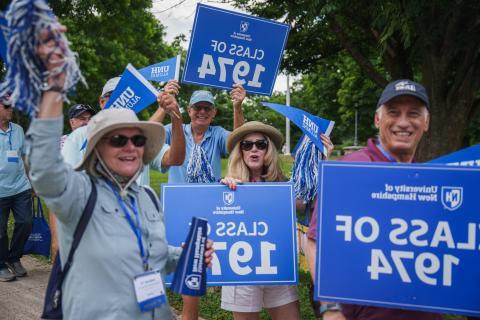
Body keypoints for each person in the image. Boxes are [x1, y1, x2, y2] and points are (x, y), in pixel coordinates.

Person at [27, 27, 213, 319]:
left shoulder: (148, 198)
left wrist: (187, 255)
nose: (130, 147)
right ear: (97, 148)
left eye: (138, 140)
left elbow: (155, 254)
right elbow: (45, 172)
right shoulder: (81, 193)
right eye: (117, 139)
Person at [306, 79, 442, 320]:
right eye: (393, 112)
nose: (403, 122)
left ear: (426, 122)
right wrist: (331, 308)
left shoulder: (433, 180)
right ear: (378, 119)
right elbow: (316, 243)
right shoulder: (350, 169)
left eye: (413, 113)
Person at [158, 87, 245, 319]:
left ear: (214, 112)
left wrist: (237, 107)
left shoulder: (216, 134)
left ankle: (221, 290)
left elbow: (239, 141)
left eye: (207, 108)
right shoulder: (173, 130)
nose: (202, 112)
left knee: (209, 254)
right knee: (187, 259)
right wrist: (165, 105)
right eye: (198, 107)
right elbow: (151, 138)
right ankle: (190, 313)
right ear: (189, 110)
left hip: (210, 204)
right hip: (180, 205)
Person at [220, 121, 300, 320]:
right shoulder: (228, 187)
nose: (254, 149)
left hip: (277, 265)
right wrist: (222, 190)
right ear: (241, 151)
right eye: (247, 145)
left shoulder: (283, 185)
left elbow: (307, 205)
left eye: (260, 144)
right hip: (241, 270)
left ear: (269, 150)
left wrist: (322, 158)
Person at [61, 78, 185, 187]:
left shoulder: (138, 139)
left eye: (126, 95)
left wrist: (175, 115)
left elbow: (175, 159)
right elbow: (63, 189)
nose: (120, 100)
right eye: (114, 95)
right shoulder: (79, 136)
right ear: (101, 102)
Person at [0, 95, 33, 282]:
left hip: (20, 187)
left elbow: (25, 157)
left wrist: (32, 182)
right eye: (7, 106)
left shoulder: (18, 130)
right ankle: (1, 263)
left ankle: (14, 258)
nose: (11, 108)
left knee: (25, 222)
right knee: (0, 230)